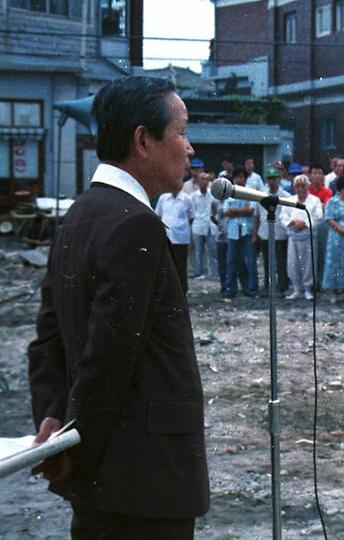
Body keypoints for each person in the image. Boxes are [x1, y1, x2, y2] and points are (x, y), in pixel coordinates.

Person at [27, 76, 208, 536]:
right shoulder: (136, 225)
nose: (190, 149)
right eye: (182, 132)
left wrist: (54, 422)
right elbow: (107, 358)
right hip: (142, 483)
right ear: (143, 140)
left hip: (104, 481)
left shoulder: (81, 213)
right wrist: (74, 446)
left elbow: (48, 337)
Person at [279, 174, 323, 300]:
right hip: (293, 236)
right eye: (297, 186)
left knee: (308, 263)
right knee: (293, 263)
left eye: (303, 186)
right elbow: (283, 217)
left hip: (308, 236)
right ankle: (296, 288)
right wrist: (292, 223)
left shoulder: (314, 201)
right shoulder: (289, 200)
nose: (300, 189)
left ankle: (308, 289)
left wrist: (305, 224)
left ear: (307, 186)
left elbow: (318, 217)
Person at [254, 167, 291, 296]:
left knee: (281, 261)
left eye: (274, 178)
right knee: (267, 262)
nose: (272, 181)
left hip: (280, 233)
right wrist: (255, 234)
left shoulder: (285, 196)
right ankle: (268, 286)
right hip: (265, 232)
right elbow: (257, 216)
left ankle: (282, 286)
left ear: (279, 179)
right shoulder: (261, 195)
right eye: (270, 179)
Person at [225, 166, 259, 297]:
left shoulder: (251, 192)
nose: (240, 179)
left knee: (251, 261)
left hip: (247, 231)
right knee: (232, 261)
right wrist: (241, 211)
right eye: (237, 177)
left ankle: (252, 289)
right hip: (233, 231)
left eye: (242, 177)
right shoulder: (229, 193)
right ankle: (231, 289)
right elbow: (226, 211)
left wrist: (236, 211)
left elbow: (251, 210)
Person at [154, 182, 194, 293]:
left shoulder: (187, 199)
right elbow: (158, 214)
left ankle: (182, 290)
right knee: (167, 265)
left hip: (181, 237)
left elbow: (191, 217)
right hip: (167, 236)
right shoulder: (163, 198)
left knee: (181, 265)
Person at [190, 168, 217, 279]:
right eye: (202, 180)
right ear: (198, 181)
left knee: (213, 251)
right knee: (198, 251)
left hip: (210, 225)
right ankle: (199, 272)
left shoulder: (213, 195)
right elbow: (191, 212)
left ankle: (215, 273)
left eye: (206, 180)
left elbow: (215, 210)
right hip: (198, 225)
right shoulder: (193, 196)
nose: (204, 182)